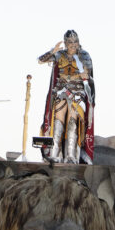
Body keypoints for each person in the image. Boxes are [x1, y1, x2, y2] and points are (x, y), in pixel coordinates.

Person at [38, 29, 95, 164]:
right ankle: (54, 153)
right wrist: (52, 51)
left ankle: (71, 155)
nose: (72, 44)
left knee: (72, 123)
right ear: (65, 42)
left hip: (77, 93)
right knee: (58, 123)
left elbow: (88, 75)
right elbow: (40, 60)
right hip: (60, 91)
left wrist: (84, 75)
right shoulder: (60, 54)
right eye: (69, 42)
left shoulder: (84, 56)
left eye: (75, 41)